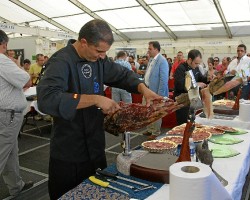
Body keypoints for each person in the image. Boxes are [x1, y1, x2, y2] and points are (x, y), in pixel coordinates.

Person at [36, 19, 161, 200]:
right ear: (84, 42)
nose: (102, 56)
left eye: (105, 52)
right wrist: (95, 99)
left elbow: (122, 74)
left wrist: (144, 89)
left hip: (95, 147)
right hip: (69, 151)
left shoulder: (98, 60)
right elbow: (47, 100)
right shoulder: (61, 61)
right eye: (99, 51)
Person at [0, 30, 33, 197]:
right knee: (3, 152)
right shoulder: (3, 61)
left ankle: (16, 186)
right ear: (4, 45)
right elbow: (27, 80)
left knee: (11, 152)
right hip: (7, 116)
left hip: (5, 114)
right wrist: (16, 64)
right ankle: (16, 186)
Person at [143, 41, 169, 140]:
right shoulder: (151, 60)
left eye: (150, 49)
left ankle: (156, 131)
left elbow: (163, 80)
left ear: (156, 49)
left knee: (156, 112)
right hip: (148, 90)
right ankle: (150, 128)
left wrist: (159, 95)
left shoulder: (162, 61)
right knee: (148, 111)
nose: (148, 50)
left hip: (156, 92)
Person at [174, 49, 207, 125]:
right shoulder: (181, 69)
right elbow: (180, 85)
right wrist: (195, 84)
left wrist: (208, 78)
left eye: (198, 63)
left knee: (192, 123)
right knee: (183, 125)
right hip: (182, 101)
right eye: (195, 63)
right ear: (189, 59)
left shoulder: (196, 67)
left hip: (192, 101)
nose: (197, 65)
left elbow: (201, 78)